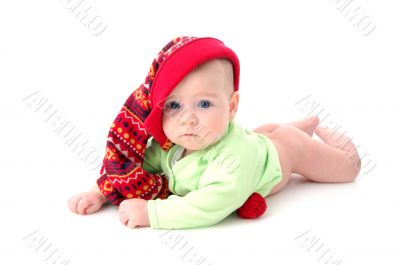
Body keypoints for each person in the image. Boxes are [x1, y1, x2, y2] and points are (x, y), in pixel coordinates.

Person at [68, 37, 361, 229]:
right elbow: (134, 168)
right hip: (256, 139)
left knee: (340, 166)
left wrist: (152, 214)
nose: (188, 119)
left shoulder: (234, 157)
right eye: (174, 105)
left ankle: (320, 137)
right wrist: (102, 192)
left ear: (232, 106)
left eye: (204, 104)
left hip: (284, 154)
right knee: (266, 133)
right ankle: (300, 124)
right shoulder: (170, 144)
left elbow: (211, 204)